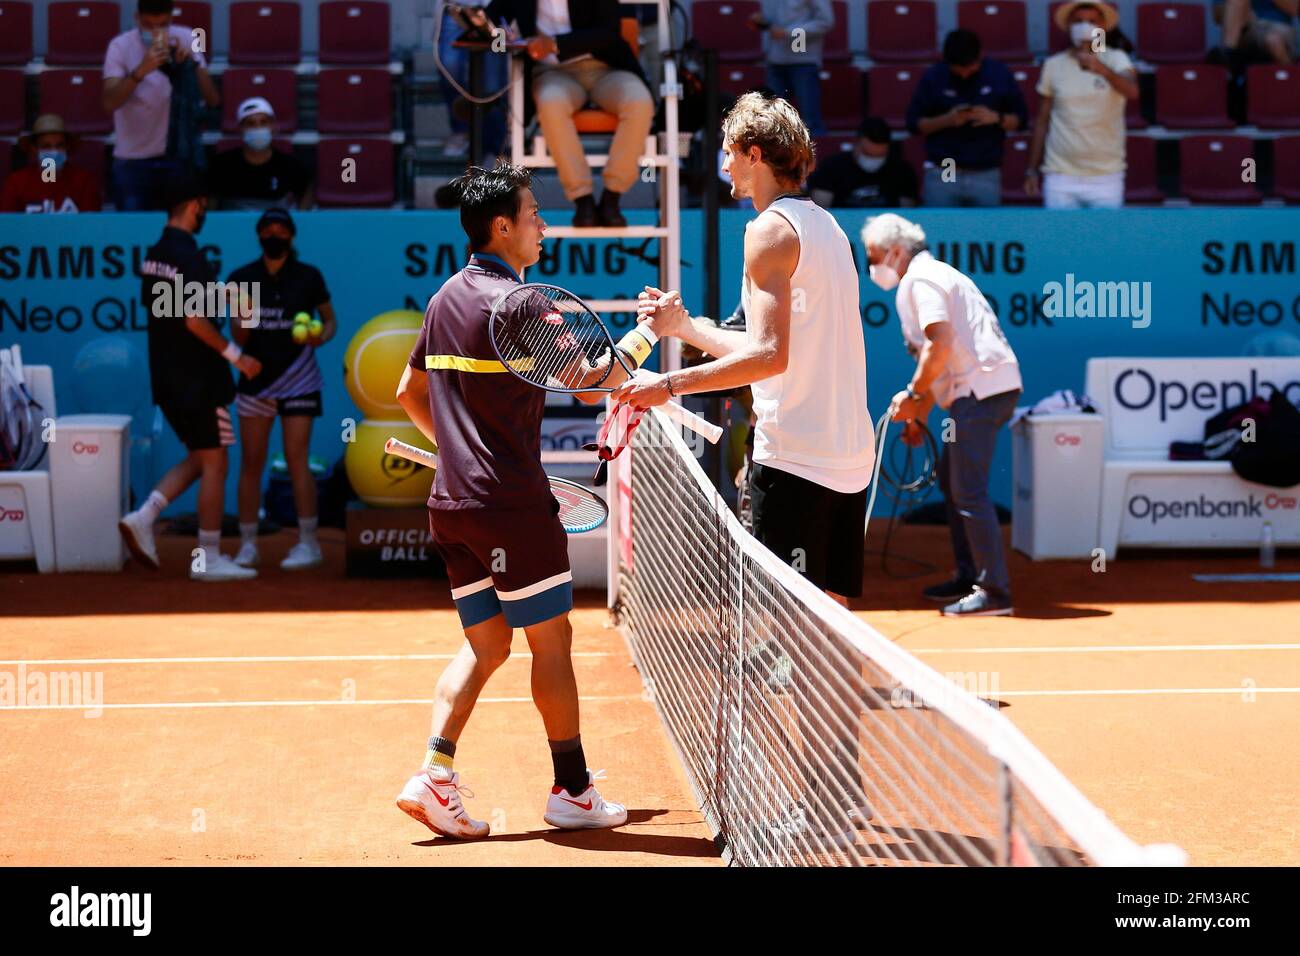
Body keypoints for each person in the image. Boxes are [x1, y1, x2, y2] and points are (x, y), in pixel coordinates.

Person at [619, 93, 875, 847]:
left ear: (756, 154)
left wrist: (664, 384)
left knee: (797, 647)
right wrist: (681, 330)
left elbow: (769, 357)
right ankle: (843, 795)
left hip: (794, 463)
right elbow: (762, 348)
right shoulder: (824, 225)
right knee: (829, 637)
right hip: (844, 458)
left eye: (730, 151)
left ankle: (823, 805)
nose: (723, 164)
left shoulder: (766, 231)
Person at [392, 163, 628, 839]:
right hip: (512, 507)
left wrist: (461, 457)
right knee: (551, 640)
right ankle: (574, 792)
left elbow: (408, 394)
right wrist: (646, 338)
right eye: (533, 214)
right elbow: (588, 382)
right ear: (503, 227)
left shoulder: (442, 299)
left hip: (452, 504)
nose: (543, 225)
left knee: (487, 641)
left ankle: (434, 775)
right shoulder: (522, 302)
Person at [862, 213, 1022, 617]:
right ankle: (969, 575)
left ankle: (994, 591)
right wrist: (920, 414)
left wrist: (914, 397)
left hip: (981, 391)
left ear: (897, 251)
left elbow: (939, 342)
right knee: (956, 485)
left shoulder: (921, 279)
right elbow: (938, 355)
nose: (872, 267)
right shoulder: (928, 277)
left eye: (875, 256)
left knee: (968, 490)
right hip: (982, 390)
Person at [118, 174, 261, 582]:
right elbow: (193, 319)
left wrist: (224, 296)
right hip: (200, 381)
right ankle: (208, 558)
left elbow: (171, 310)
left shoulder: (154, 256)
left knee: (202, 457)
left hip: (166, 379)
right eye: (204, 206)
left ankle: (143, 517)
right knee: (216, 462)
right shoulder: (191, 257)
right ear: (196, 205)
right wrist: (239, 357)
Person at [475, 0, 655, 227]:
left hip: (605, 67)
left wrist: (555, 44)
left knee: (639, 101)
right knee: (551, 102)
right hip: (553, 73)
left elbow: (608, 32)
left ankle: (612, 197)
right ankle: (583, 199)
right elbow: (490, 19)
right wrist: (504, 36)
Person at [226, 208, 335, 571]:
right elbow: (238, 337)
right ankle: (246, 546)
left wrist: (321, 335)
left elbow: (329, 320)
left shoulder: (309, 276)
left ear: (291, 235)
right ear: (259, 235)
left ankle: (308, 544)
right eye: (267, 229)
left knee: (296, 459)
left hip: (300, 377)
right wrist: (243, 318)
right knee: (251, 463)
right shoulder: (241, 278)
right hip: (255, 379)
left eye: (280, 229)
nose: (274, 234)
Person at [102, 0, 220, 210]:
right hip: (133, 160)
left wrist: (191, 64)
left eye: (162, 24)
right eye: (148, 25)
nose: (156, 31)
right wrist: (140, 71)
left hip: (179, 156)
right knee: (133, 233)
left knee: (181, 229)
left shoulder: (188, 36)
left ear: (171, 19)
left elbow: (212, 99)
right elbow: (109, 102)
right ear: (137, 19)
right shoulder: (119, 46)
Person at [1025, 2, 1138, 209]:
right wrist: (1031, 169)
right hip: (1060, 175)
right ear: (1068, 26)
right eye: (1078, 21)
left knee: (1105, 240)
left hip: (1106, 175)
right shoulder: (1053, 64)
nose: (1084, 26)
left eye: (1091, 21)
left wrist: (1101, 69)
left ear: (1103, 26)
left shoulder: (1116, 59)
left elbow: (1132, 91)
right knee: (1061, 240)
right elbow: (1042, 120)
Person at [906, 28, 1027, 208]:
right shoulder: (934, 76)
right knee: (942, 231)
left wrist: (996, 118)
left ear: (980, 56)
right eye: (958, 69)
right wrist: (947, 120)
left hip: (985, 169)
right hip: (946, 167)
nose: (964, 74)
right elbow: (914, 124)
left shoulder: (999, 74)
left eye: (969, 67)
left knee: (987, 233)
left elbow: (1021, 120)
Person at [208, 98, 313, 210]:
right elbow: (210, 206)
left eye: (263, 122)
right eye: (251, 123)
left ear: (273, 127)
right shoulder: (221, 166)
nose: (257, 128)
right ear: (241, 129)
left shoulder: (290, 166)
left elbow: (307, 194)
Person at [752, 0, 834, 137]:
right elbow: (779, 20)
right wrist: (763, 20)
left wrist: (789, 33)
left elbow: (825, 22)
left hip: (803, 61)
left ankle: (817, 157)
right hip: (775, 60)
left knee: (809, 121)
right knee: (773, 119)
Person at [807, 117, 919, 208]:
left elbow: (907, 213)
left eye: (880, 156)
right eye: (868, 154)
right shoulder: (831, 168)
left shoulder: (902, 171)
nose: (873, 160)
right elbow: (820, 210)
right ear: (856, 144)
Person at [1, 114, 102, 213]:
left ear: (67, 147)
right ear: (34, 149)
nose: (54, 151)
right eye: (46, 146)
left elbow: (90, 225)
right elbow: (8, 225)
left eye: (59, 145)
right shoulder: (17, 183)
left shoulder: (84, 181)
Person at [1221, 0, 1297, 64]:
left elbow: (1294, 9)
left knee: (1273, 40)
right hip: (1247, 28)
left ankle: (1291, 76)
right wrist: (1239, 10)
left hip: (1279, 27)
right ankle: (1227, 60)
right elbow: (1217, 15)